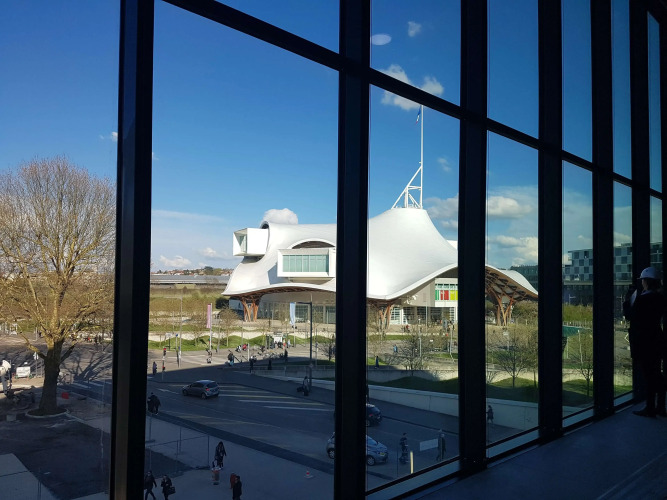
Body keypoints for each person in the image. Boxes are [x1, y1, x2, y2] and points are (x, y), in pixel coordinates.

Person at [623, 267, 667, 417]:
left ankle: (650, 407)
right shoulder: (660, 298)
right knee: (657, 374)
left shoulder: (642, 300)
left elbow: (629, 315)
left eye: (643, 281)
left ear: (646, 282)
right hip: (657, 339)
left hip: (644, 342)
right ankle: (660, 406)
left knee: (649, 376)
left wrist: (627, 300)